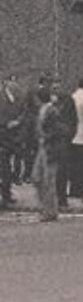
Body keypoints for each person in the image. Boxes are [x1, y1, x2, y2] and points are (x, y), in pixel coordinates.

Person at [32, 85, 65, 222]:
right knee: (37, 177)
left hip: (50, 148)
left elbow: (59, 130)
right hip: (43, 147)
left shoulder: (51, 111)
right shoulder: (44, 109)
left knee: (48, 180)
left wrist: (46, 136)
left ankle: (50, 211)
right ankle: (45, 207)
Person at [50, 78, 77, 208]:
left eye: (58, 87)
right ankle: (53, 198)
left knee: (62, 170)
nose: (56, 90)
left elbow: (74, 120)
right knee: (51, 170)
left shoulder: (68, 100)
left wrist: (70, 135)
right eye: (54, 87)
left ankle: (61, 197)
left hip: (62, 140)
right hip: (51, 140)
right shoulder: (48, 102)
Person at [0, 71, 25, 208]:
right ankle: (5, 195)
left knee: (5, 166)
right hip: (3, 132)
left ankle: (6, 194)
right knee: (4, 166)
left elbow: (22, 111)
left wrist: (17, 122)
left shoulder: (15, 95)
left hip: (9, 134)